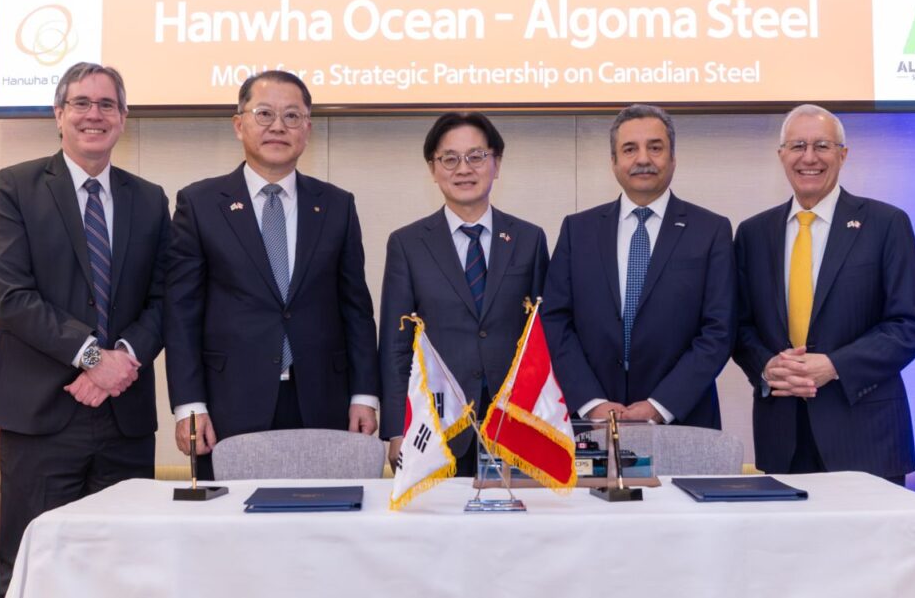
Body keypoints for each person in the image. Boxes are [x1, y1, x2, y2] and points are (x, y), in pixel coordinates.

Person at [0, 62, 168, 597]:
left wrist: (122, 359)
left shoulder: (150, 198)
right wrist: (92, 358)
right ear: (58, 114)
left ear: (123, 118)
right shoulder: (16, 185)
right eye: (81, 103)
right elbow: (10, 294)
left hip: (124, 419)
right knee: (35, 564)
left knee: (127, 569)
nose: (94, 115)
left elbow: (165, 298)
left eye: (107, 105)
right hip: (40, 416)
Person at [164, 70, 379, 479]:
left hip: (323, 399)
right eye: (264, 114)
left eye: (292, 116)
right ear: (238, 124)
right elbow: (181, 313)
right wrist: (189, 405)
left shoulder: (336, 205)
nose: (278, 126)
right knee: (232, 518)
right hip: (230, 403)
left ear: (307, 129)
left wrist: (364, 395)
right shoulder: (201, 203)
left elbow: (356, 310)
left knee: (325, 514)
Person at [733, 104, 915, 484]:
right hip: (782, 439)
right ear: (781, 155)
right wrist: (767, 367)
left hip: (867, 437)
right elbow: (739, 327)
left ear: (843, 154)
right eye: (798, 146)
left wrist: (834, 365)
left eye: (822, 146)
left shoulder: (886, 224)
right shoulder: (753, 233)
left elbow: (910, 326)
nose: (809, 158)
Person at [541, 104, 734, 427]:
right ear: (614, 162)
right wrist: (591, 402)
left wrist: (662, 405)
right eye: (630, 149)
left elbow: (719, 329)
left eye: (655, 148)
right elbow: (555, 320)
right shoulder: (578, 230)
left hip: (683, 420)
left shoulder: (711, 230)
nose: (643, 159)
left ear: (673, 158)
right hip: (594, 421)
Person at [379, 112, 549, 475]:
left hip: (514, 420)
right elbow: (395, 345)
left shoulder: (529, 239)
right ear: (433, 169)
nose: (463, 169)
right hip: (437, 423)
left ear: (496, 163)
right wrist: (395, 428)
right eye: (449, 159)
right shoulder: (408, 244)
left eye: (476, 156)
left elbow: (543, 336)